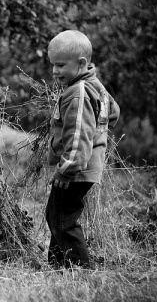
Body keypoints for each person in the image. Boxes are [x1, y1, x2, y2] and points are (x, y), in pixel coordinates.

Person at [45, 30, 120, 269]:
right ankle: (59, 264)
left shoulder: (77, 92)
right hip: (86, 166)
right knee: (56, 215)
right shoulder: (93, 85)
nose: (55, 71)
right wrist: (100, 129)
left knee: (62, 219)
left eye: (60, 65)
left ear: (81, 63)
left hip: (76, 168)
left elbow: (77, 134)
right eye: (52, 65)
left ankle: (79, 267)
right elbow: (113, 112)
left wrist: (67, 168)